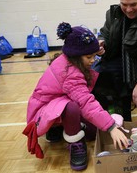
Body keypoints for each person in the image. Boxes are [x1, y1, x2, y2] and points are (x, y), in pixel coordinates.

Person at [22, 22, 128, 171]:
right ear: (76, 56)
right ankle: (75, 144)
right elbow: (85, 102)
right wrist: (111, 127)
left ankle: (58, 128)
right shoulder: (70, 74)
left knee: (92, 132)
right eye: (89, 57)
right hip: (43, 112)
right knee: (72, 107)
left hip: (53, 104)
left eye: (94, 55)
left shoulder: (70, 61)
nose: (93, 60)